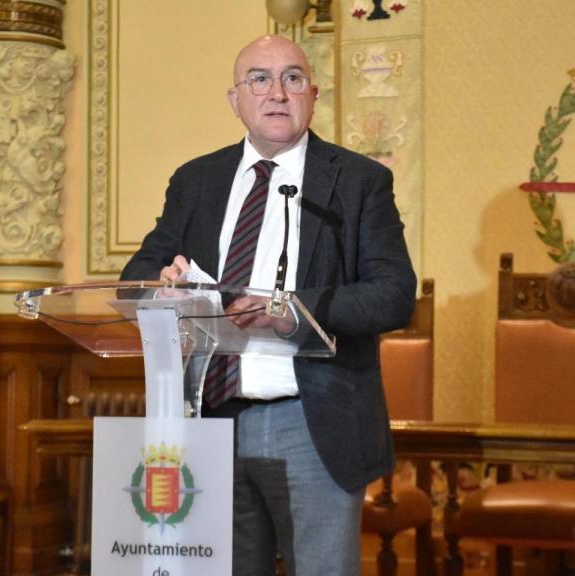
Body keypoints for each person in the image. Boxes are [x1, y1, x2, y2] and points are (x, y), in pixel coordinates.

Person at [120, 35, 416, 576]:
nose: (277, 92)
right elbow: (138, 274)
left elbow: (394, 293)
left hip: (311, 421)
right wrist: (161, 286)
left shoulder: (359, 181)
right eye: (259, 79)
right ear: (235, 100)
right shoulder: (196, 180)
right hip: (209, 416)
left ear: (313, 96)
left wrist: (294, 310)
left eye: (292, 78)